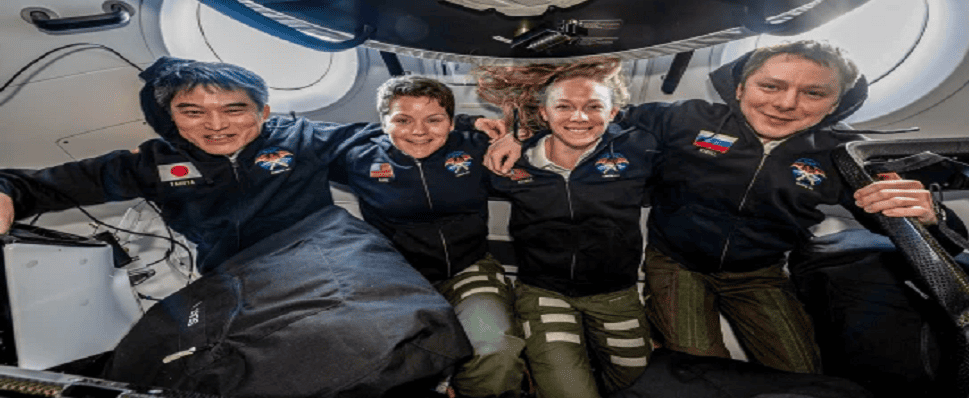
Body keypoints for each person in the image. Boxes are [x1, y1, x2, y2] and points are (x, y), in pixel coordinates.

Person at [480, 41, 960, 375]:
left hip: (761, 273)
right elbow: (590, 117)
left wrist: (930, 217)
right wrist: (518, 134)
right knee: (699, 365)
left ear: (835, 104)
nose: (786, 104)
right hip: (676, 264)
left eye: (813, 93)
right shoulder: (686, 120)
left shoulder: (842, 155)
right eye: (770, 86)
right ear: (740, 87)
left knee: (799, 371)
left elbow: (914, 225)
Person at [0, 56, 396, 271]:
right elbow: (46, 184)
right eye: (193, 112)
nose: (216, 125)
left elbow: (379, 141)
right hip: (233, 270)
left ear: (263, 112)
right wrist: (6, 191)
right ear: (172, 118)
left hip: (327, 252)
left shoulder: (303, 137)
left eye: (234, 110)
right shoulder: (154, 162)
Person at [328, 76, 526, 398]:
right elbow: (301, 141)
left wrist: (511, 137)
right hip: (400, 278)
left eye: (434, 120)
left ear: (451, 123)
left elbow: (553, 134)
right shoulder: (359, 158)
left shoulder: (474, 147)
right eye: (403, 120)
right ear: (384, 123)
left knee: (495, 349)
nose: (419, 131)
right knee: (395, 358)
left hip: (469, 269)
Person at [474, 58, 657, 398]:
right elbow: (441, 137)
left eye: (594, 107)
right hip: (544, 293)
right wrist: (511, 134)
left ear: (613, 112)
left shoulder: (638, 150)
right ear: (544, 113)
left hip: (616, 294)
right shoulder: (513, 161)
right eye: (564, 106)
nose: (579, 117)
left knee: (640, 386)